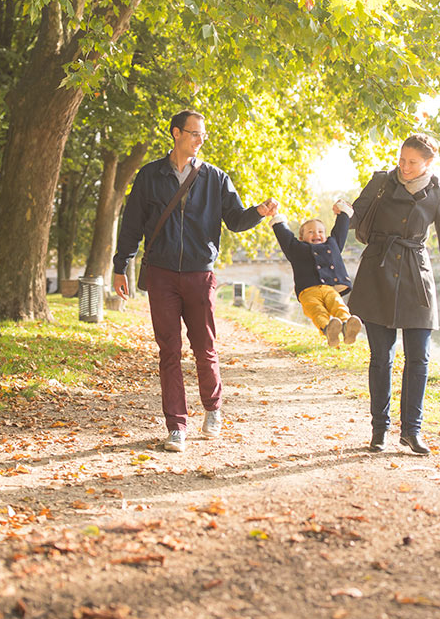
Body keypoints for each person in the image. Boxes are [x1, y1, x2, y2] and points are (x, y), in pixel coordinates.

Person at [113, 109, 278, 453]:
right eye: (194, 133)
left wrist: (258, 212)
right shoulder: (149, 176)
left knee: (205, 348)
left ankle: (213, 409)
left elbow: (234, 220)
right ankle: (176, 426)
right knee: (169, 351)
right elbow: (131, 225)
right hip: (160, 274)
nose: (200, 140)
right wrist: (120, 265)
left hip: (200, 273)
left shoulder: (216, 178)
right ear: (176, 133)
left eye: (203, 135)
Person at [349, 134, 440, 455]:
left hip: (417, 279)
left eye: (412, 162)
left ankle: (412, 432)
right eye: (402, 159)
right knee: (382, 358)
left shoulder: (436, 194)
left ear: (428, 164)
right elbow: (355, 217)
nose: (404, 167)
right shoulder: (380, 182)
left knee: (419, 358)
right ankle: (380, 430)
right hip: (377, 274)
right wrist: (342, 213)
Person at [270, 201, 363, 347]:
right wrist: (277, 218)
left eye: (320, 231)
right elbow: (285, 236)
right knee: (317, 311)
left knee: (338, 305)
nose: (316, 234)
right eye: (311, 232)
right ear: (301, 237)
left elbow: (340, 230)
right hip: (308, 291)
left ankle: (347, 325)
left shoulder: (332, 245)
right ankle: (328, 330)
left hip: (329, 288)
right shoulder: (296, 248)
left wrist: (343, 213)